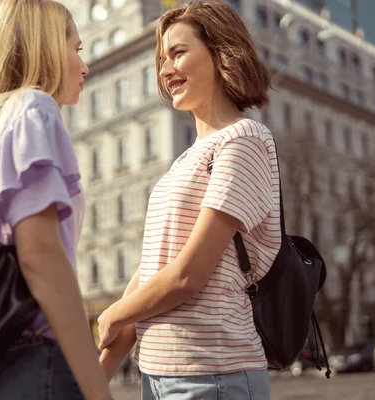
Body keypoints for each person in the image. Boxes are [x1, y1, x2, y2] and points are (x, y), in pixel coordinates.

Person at [98, 1, 278, 398]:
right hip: (162, 374)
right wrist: (97, 376)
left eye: (178, 53)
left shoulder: (243, 140)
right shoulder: (185, 160)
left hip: (213, 374)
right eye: (162, 59)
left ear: (220, 53)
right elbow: (151, 273)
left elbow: (187, 276)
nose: (164, 71)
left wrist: (113, 313)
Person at [0, 1, 111, 399]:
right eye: (77, 48)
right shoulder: (34, 109)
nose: (84, 66)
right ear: (44, 46)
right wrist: (96, 388)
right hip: (36, 361)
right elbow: (42, 257)